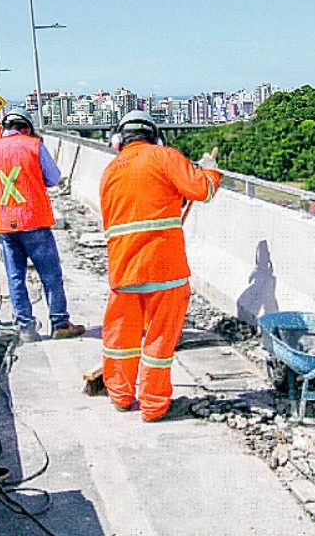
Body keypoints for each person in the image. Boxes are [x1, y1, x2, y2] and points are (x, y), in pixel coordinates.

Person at [98, 110, 221, 422]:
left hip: (123, 269)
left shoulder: (109, 170)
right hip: (165, 269)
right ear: (155, 136)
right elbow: (202, 191)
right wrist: (210, 170)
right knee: (159, 339)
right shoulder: (165, 156)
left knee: (121, 338)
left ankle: (121, 395)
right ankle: (153, 406)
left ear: (118, 141)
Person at [0, 108, 85, 341]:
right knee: (50, 275)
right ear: (26, 127)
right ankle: (59, 323)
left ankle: (25, 328)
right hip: (34, 220)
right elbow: (54, 178)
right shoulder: (33, 145)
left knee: (15, 276)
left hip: (7, 224)